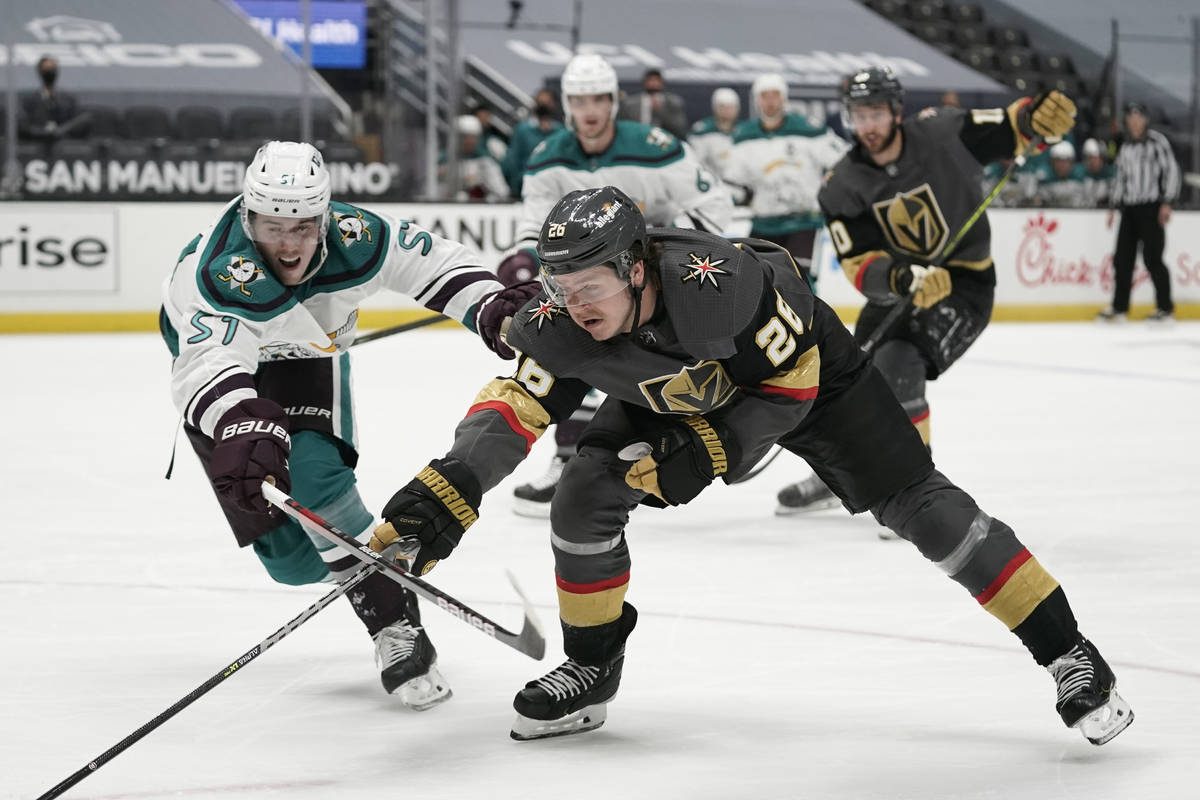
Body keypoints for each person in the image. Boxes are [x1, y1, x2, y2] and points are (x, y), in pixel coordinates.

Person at [368, 185, 1134, 746]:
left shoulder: (719, 284)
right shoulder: (564, 316)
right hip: (674, 383)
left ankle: (1070, 652)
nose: (575, 307)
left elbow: (788, 385)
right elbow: (516, 405)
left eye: (590, 287)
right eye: (562, 290)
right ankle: (591, 669)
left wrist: (703, 454)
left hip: (807, 376)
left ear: (637, 270)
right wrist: (441, 499)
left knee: (926, 510)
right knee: (584, 492)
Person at [159, 141, 537, 711]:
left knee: (313, 474)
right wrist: (237, 418)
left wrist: (492, 307)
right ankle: (366, 560)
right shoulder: (216, 274)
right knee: (290, 563)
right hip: (228, 373)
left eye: (304, 227)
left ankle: (391, 622)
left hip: (311, 354)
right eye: (271, 226)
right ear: (246, 216)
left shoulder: (357, 235)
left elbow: (432, 261)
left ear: (327, 218)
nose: (288, 243)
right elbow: (208, 363)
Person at [775, 67, 1077, 515]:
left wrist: (1036, 118)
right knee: (845, 377)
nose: (868, 126)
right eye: (859, 115)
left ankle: (916, 491)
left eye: (876, 113)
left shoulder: (941, 133)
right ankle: (839, 474)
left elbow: (1012, 129)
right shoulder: (841, 185)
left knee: (899, 363)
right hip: (902, 289)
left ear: (897, 111)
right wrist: (902, 277)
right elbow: (859, 264)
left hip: (965, 284)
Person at [497, 52, 734, 517]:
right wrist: (522, 273)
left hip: (649, 282)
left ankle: (650, 452)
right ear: (567, 104)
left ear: (613, 101)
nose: (589, 110)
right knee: (564, 351)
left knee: (641, 367)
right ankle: (570, 459)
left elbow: (713, 203)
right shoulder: (547, 159)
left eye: (598, 98)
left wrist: (666, 253)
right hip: (587, 281)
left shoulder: (655, 145)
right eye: (580, 99)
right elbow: (531, 229)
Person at [723, 72, 849, 286]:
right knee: (759, 280)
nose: (770, 101)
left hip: (804, 221)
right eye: (765, 96)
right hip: (765, 221)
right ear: (757, 100)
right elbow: (733, 183)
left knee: (801, 279)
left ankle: (811, 320)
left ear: (784, 98)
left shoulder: (809, 129)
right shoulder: (744, 136)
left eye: (775, 95)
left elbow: (843, 161)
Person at [1098, 102, 1181, 323]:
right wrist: (1114, 207)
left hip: (1152, 207)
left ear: (1145, 120)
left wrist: (1168, 202)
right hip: (1129, 209)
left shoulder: (1157, 142)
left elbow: (1171, 170)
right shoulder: (1125, 147)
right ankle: (1119, 308)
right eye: (1131, 117)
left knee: (1153, 258)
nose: (1134, 122)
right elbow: (1121, 179)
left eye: (1138, 117)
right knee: (1122, 259)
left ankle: (1165, 308)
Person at [503, 88, 563, 198]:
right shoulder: (522, 130)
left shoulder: (561, 131)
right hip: (526, 188)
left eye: (547, 102)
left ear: (554, 104)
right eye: (541, 102)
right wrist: (516, 189)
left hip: (555, 191)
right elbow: (512, 161)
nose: (544, 106)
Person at [18, 56, 83, 149]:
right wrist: (42, 132)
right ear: (40, 72)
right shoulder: (30, 101)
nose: (49, 72)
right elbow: (23, 127)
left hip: (64, 146)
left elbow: (76, 124)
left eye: (52, 69)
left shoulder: (68, 100)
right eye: (46, 69)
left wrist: (61, 131)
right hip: (37, 146)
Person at [441, 114, 510, 202]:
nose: (469, 141)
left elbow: (502, 192)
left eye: (473, 137)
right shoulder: (445, 159)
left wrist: (483, 182)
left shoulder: (486, 161)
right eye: (464, 136)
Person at [617, 68, 690, 140]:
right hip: (638, 139)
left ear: (662, 83)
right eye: (650, 80)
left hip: (664, 140)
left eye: (656, 80)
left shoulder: (673, 102)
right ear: (644, 82)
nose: (653, 83)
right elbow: (623, 126)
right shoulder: (630, 103)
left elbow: (680, 128)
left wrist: (660, 111)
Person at [687, 87, 741, 181]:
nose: (726, 111)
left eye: (730, 107)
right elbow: (695, 163)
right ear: (715, 108)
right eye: (722, 107)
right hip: (714, 184)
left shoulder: (743, 131)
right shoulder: (703, 131)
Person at [1033, 140, 1088, 208]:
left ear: (1071, 162)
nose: (1062, 165)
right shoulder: (1044, 176)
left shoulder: (1079, 176)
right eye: (1058, 161)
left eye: (1065, 161)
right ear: (1052, 162)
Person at [1080, 138, 1115, 208]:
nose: (1093, 162)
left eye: (1096, 158)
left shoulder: (1111, 177)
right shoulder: (1080, 177)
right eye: (1090, 158)